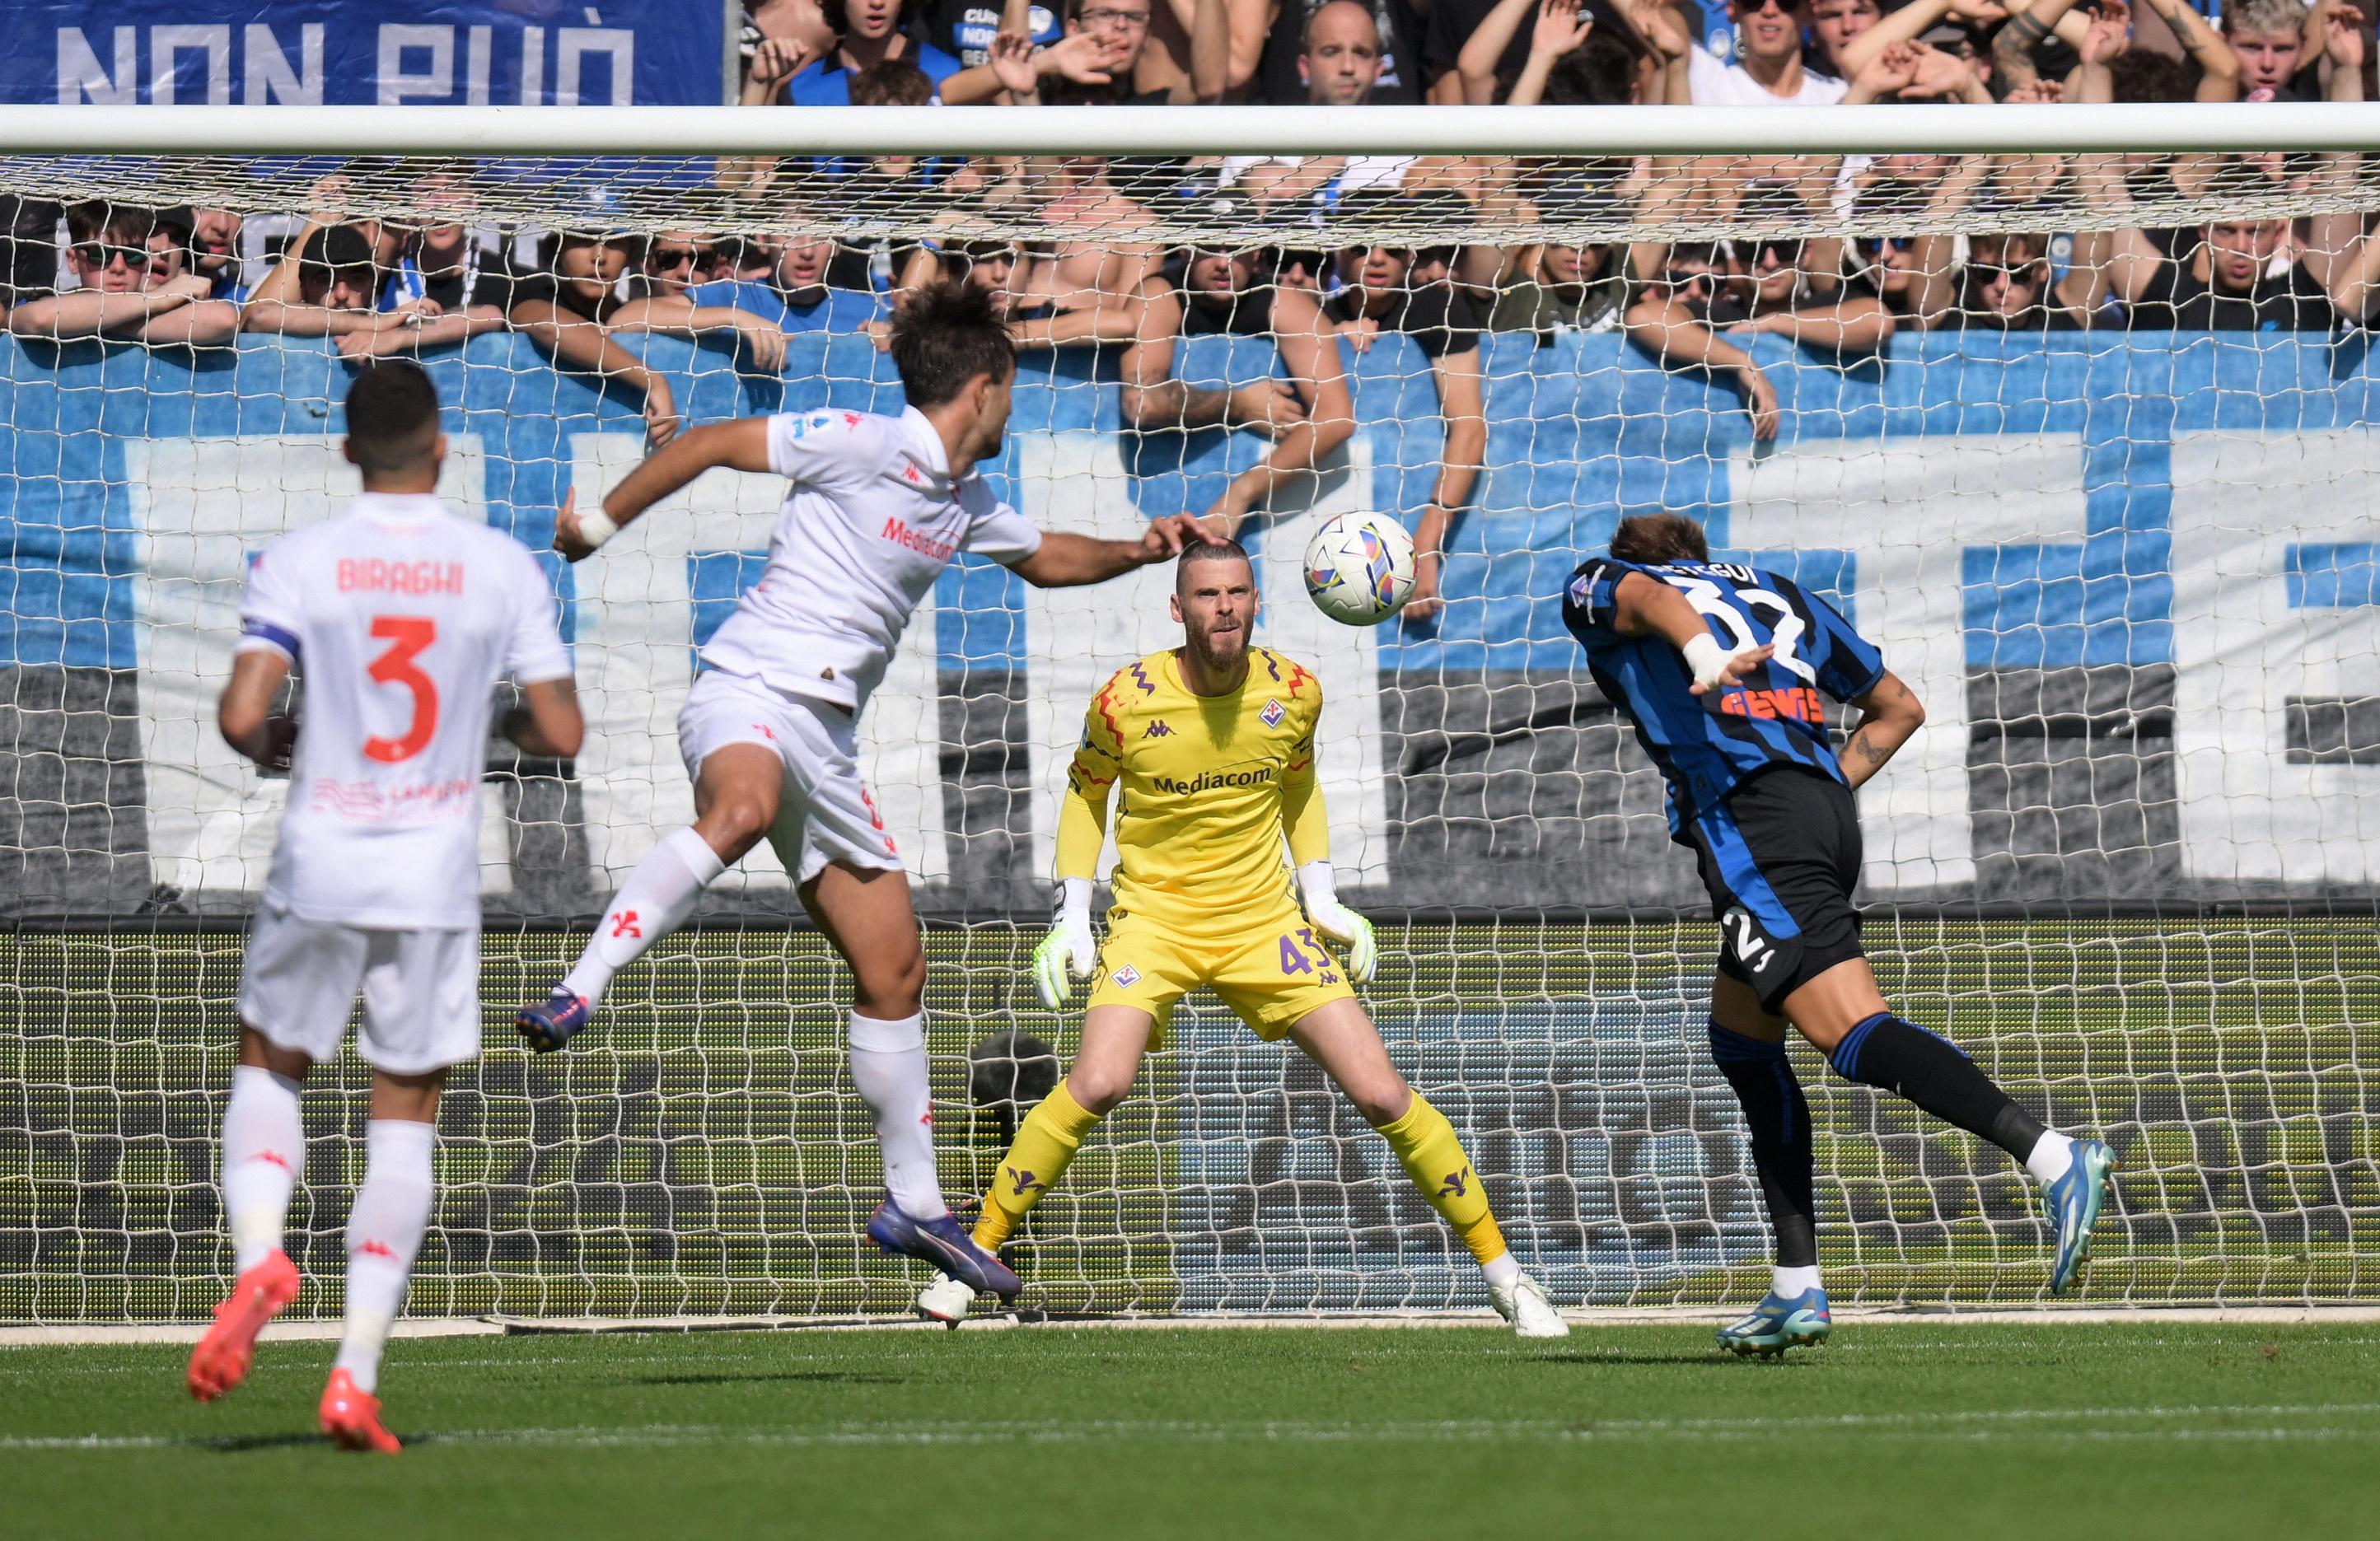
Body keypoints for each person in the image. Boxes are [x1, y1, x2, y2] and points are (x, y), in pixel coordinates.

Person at [512, 283, 1209, 1296]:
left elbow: (1048, 558)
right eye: (1008, 392)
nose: (1011, 410)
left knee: (896, 970)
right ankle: (581, 985)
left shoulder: (966, 501)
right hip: (749, 689)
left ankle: (916, 1203)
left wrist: (1142, 550)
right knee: (740, 811)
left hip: (826, 745)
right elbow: (707, 441)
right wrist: (600, 527)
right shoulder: (861, 440)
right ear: (983, 388)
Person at [913, 536, 1569, 1338]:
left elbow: (1299, 784)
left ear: (1256, 601)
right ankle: (970, 1260)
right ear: (1178, 606)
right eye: (1206, 594)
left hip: (1263, 921)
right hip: (1154, 921)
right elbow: (1087, 797)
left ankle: (1507, 1279)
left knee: (1382, 1093)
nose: (1222, 606)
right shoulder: (1126, 697)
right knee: (1099, 1083)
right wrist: (1072, 913)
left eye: (1236, 592)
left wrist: (1321, 896)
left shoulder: (1294, 691)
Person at [1559, 511, 2117, 1355]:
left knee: (1849, 1028)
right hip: (1819, 807)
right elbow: (1897, 707)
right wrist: (1820, 783)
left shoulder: (1615, 582)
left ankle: (2050, 1154)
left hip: (1752, 818)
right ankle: (1795, 1287)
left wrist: (1704, 658)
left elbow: (1640, 593)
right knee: (1741, 1043)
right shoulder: (1780, 593)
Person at [187, 362, 584, 1451]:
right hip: (430, 875)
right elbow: (561, 729)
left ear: (348, 449)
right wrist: (490, 727)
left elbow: (239, 715)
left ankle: (261, 1249)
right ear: (443, 445)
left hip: (322, 855)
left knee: (270, 1062)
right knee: (402, 1121)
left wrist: (277, 739)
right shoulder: (499, 567)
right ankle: (355, 1372)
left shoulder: (301, 559)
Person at [1120, 229, 1355, 536]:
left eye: (1235, 247)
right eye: (1209, 247)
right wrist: (1240, 404)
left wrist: (1239, 495)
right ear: (1187, 252)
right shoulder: (1160, 294)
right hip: (1152, 506)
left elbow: (1337, 418)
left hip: (1272, 517)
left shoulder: (1283, 302)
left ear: (1256, 254)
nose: (1223, 262)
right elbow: (1142, 404)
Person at [1325, 214, 1487, 622]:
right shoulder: (1314, 317)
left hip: (1422, 514)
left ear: (1410, 255)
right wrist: (1329, 340)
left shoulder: (1438, 307)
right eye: (1361, 248)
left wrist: (1426, 545)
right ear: (1337, 256)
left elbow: (1469, 427)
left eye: (1392, 249)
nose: (1377, 259)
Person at [7, 203, 240, 348]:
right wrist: (152, 301)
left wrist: (88, 322)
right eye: (101, 255)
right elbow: (39, 318)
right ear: (72, 260)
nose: (118, 267)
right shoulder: (49, 302)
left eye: (133, 255)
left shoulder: (170, 308)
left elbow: (224, 320)